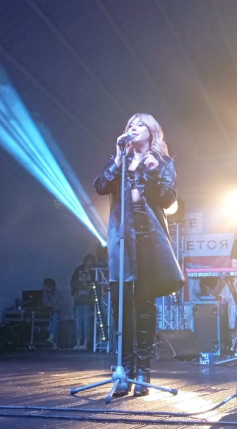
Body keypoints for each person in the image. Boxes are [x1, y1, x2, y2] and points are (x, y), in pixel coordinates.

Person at [93, 113, 183, 397]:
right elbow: (100, 186)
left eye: (140, 124)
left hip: (148, 238)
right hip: (122, 239)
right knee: (121, 305)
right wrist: (119, 160)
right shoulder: (119, 160)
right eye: (130, 124)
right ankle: (124, 370)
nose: (133, 128)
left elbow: (168, 200)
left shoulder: (163, 162)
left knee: (144, 303)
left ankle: (144, 371)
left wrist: (153, 173)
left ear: (152, 131)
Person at [70, 254, 97, 350]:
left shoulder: (94, 271)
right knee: (78, 323)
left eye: (92, 261)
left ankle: (85, 343)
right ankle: (78, 343)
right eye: (90, 261)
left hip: (88, 302)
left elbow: (96, 284)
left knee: (86, 323)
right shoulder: (78, 270)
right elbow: (72, 282)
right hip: (79, 301)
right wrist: (74, 292)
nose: (91, 263)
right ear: (85, 261)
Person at [42, 277, 65, 349]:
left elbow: (61, 307)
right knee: (54, 319)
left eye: (50, 285)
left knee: (55, 317)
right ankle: (53, 340)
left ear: (53, 286)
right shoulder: (42, 294)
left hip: (54, 312)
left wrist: (51, 306)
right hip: (43, 313)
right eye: (47, 285)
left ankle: (51, 337)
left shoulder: (58, 294)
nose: (48, 287)